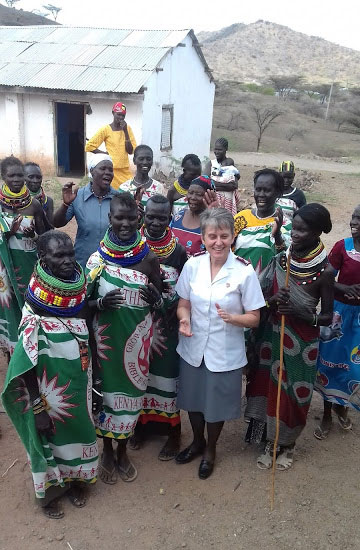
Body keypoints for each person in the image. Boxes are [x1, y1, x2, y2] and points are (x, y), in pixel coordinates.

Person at [2, 231, 98, 519]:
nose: (68, 261)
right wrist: (37, 406)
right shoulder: (35, 307)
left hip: (79, 379)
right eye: (59, 256)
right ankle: (51, 494)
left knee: (80, 430)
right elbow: (25, 361)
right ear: (42, 259)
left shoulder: (78, 292)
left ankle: (78, 480)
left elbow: (88, 329)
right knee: (49, 437)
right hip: (47, 390)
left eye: (70, 254)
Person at [175, 208, 265, 479]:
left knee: (215, 406)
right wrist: (184, 320)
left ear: (232, 237)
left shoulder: (243, 272)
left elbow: (255, 318)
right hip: (193, 347)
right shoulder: (192, 266)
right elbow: (183, 303)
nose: (218, 242)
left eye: (224, 236)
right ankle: (197, 441)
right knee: (192, 401)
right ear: (202, 237)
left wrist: (234, 318)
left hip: (224, 351)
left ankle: (211, 449)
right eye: (212, 236)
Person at [245, 204, 334, 471]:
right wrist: (272, 301)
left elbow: (327, 317)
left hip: (302, 342)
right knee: (267, 386)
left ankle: (287, 444)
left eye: (302, 230)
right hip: (272, 334)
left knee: (292, 394)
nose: (295, 233)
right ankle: (268, 440)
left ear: (318, 232)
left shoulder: (325, 272)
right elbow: (258, 298)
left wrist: (299, 312)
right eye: (293, 227)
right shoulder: (282, 259)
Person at [86, 192, 162, 484]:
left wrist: (156, 298)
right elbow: (82, 304)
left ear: (139, 219)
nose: (126, 223)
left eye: (131, 218)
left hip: (137, 343)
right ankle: (106, 450)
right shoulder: (97, 260)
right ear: (110, 219)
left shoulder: (149, 258)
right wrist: (100, 305)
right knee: (104, 396)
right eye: (119, 217)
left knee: (131, 396)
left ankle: (122, 450)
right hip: (106, 341)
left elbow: (159, 298)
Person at [130, 194, 187, 459]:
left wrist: (167, 304)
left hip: (167, 323)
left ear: (170, 217)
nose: (154, 222)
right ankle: (141, 427)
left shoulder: (178, 251)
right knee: (140, 374)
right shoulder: (133, 245)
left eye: (161, 218)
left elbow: (185, 291)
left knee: (165, 378)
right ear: (143, 214)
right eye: (150, 216)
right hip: (137, 322)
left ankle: (174, 433)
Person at [314, 205, 360, 439]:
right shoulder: (343, 247)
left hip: (359, 319)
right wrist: (346, 288)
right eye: (353, 217)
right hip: (338, 314)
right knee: (330, 362)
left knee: (352, 365)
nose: (354, 222)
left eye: (359, 219)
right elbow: (327, 278)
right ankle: (326, 414)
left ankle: (342, 406)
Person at [0, 156, 45, 355]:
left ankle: (31, 350)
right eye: (12, 175)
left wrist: (33, 235)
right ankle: (13, 354)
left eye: (20, 175)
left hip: (29, 266)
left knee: (31, 306)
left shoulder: (33, 205)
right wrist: (7, 232)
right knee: (11, 310)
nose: (17, 179)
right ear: (3, 177)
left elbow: (45, 238)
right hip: (6, 269)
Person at [53, 154, 117, 269]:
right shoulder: (78, 196)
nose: (108, 172)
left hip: (112, 264)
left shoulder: (119, 198)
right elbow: (57, 223)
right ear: (92, 172)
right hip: (83, 262)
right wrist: (65, 204)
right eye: (103, 168)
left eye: (110, 170)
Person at [233, 169, 291, 274]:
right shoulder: (241, 218)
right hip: (236, 281)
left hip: (266, 286)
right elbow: (226, 247)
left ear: (278, 193)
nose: (261, 194)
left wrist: (277, 235)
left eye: (267, 190)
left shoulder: (284, 224)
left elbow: (286, 260)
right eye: (258, 189)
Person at [85, 102, 137, 190]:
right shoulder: (106, 129)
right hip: (111, 170)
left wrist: (125, 132)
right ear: (113, 113)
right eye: (118, 114)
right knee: (112, 195)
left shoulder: (127, 129)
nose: (121, 118)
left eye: (123, 115)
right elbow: (89, 146)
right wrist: (104, 154)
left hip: (125, 170)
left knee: (129, 192)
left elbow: (131, 151)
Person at [171, 175, 217, 257]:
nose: (193, 197)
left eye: (199, 194)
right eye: (190, 193)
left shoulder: (212, 222)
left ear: (209, 196)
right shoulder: (179, 216)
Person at [204, 137, 242, 215]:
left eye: (220, 150)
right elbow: (205, 183)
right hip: (214, 200)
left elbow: (234, 186)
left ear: (226, 149)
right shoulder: (211, 164)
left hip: (228, 201)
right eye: (215, 149)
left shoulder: (230, 164)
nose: (216, 152)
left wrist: (214, 185)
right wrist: (226, 186)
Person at [24, 162, 54, 228]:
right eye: (31, 177)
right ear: (24, 178)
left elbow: (50, 228)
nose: (35, 180)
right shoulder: (16, 201)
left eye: (38, 177)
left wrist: (39, 209)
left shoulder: (48, 201)